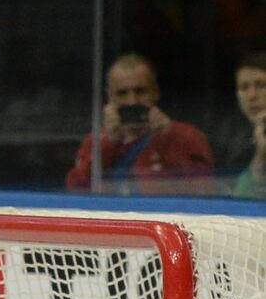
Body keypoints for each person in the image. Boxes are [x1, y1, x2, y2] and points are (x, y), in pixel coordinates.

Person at [65, 53, 215, 194]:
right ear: (109, 96)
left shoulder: (187, 136)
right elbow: (76, 191)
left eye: (141, 91)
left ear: (156, 92)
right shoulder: (95, 142)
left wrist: (168, 140)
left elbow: (203, 191)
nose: (132, 101)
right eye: (122, 93)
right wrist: (108, 145)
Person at [229, 52, 266, 199]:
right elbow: (239, 203)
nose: (252, 96)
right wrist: (260, 157)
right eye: (244, 88)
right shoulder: (231, 140)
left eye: (261, 85)